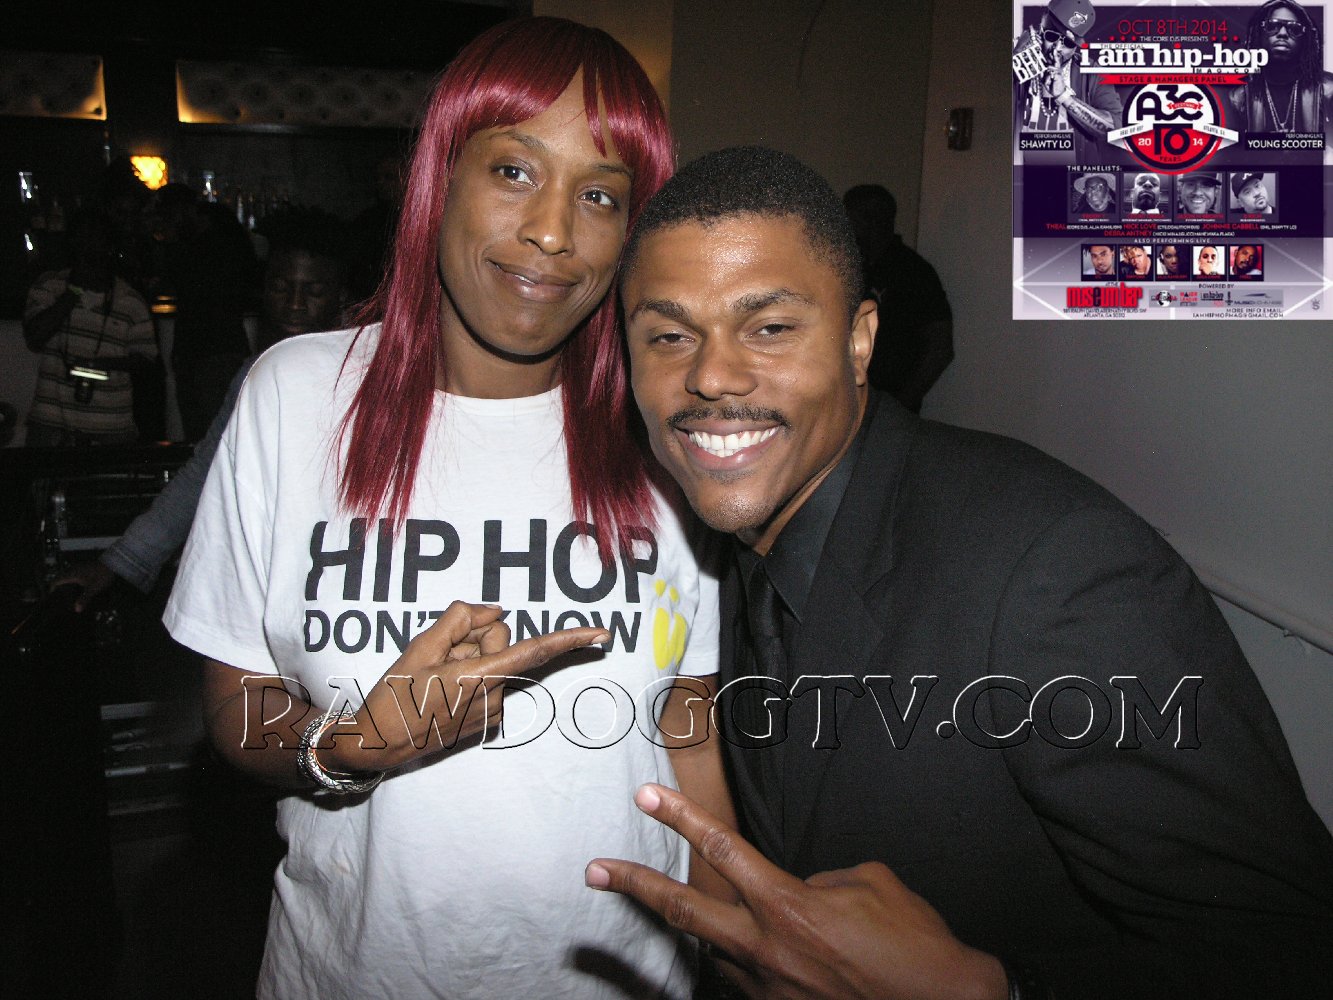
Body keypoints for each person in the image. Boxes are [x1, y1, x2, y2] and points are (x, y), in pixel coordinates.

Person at [589, 145, 1333, 999]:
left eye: (770, 328)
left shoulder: (1053, 566)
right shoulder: (719, 540)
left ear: (859, 340)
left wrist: (987, 992)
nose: (710, 376)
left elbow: (1289, 950)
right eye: (669, 336)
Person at [162, 18, 720, 1000]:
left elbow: (689, 728)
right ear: (439, 179)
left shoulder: (667, 430)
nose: (552, 231)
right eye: (513, 171)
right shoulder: (296, 396)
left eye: (599, 195)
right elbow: (234, 703)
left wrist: (743, 946)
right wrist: (348, 746)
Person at [55, 208, 352, 611]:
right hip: (277, 582)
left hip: (350, 580)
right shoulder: (256, 375)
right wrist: (122, 561)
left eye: (313, 291)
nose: (294, 304)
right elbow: (206, 470)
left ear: (340, 297)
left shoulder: (368, 374)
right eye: (281, 287)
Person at [22, 207, 159, 446]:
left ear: (109, 247)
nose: (87, 247)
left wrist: (101, 365)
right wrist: (73, 292)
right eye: (81, 240)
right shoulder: (49, 286)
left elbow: (146, 362)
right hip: (51, 429)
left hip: (111, 429)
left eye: (95, 240)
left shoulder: (131, 300)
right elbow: (34, 338)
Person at [151, 182, 260, 442]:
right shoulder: (207, 240)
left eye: (169, 216)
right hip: (202, 351)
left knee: (213, 436)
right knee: (203, 433)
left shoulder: (212, 242)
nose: (166, 224)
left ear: (183, 210)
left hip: (216, 353)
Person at [841, 184, 952, 414]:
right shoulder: (846, 267)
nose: (845, 226)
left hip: (888, 408)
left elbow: (940, 347)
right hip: (844, 404)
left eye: (852, 218)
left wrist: (899, 406)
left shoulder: (914, 272)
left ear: (874, 220)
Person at [1016, 0, 1122, 160]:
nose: (1057, 48)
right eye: (1051, 36)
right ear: (1040, 27)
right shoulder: (1016, 56)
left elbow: (1115, 129)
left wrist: (1064, 97)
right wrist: (1016, 60)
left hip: (1073, 172)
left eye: (1068, 43)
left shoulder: (1092, 72)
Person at [1229, 0, 1333, 133]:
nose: (1282, 33)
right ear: (1259, 35)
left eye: (1294, 29)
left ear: (1305, 39)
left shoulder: (1329, 90)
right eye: (1272, 26)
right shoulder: (1239, 97)